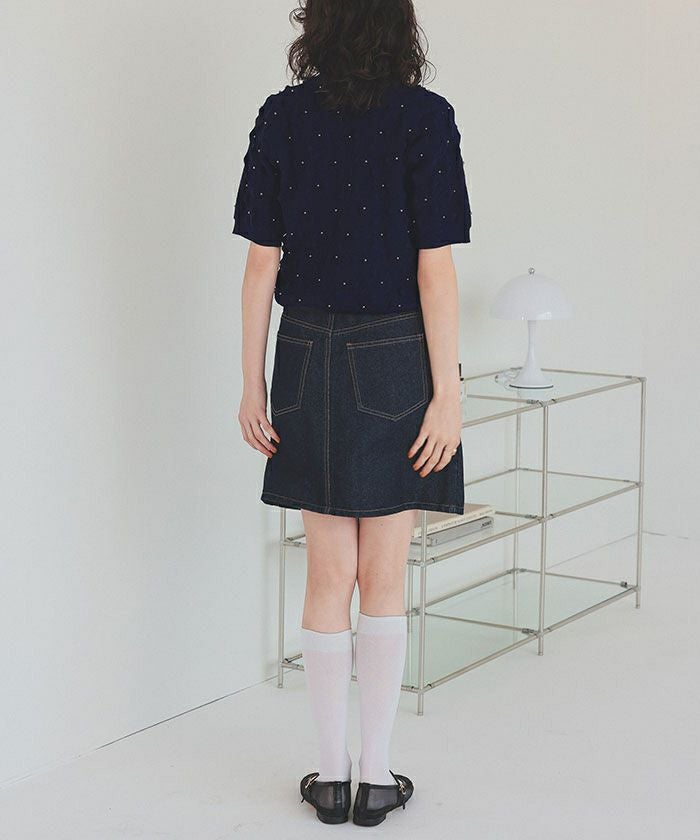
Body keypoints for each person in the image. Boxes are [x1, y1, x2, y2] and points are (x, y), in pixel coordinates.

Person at [232, 0, 471, 827]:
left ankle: (329, 779)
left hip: (304, 353)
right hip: (396, 355)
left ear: (318, 25)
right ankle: (376, 779)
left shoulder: (282, 116)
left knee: (327, 574)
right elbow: (434, 269)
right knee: (385, 575)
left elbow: (260, 265)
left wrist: (253, 384)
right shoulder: (425, 118)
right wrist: (449, 391)